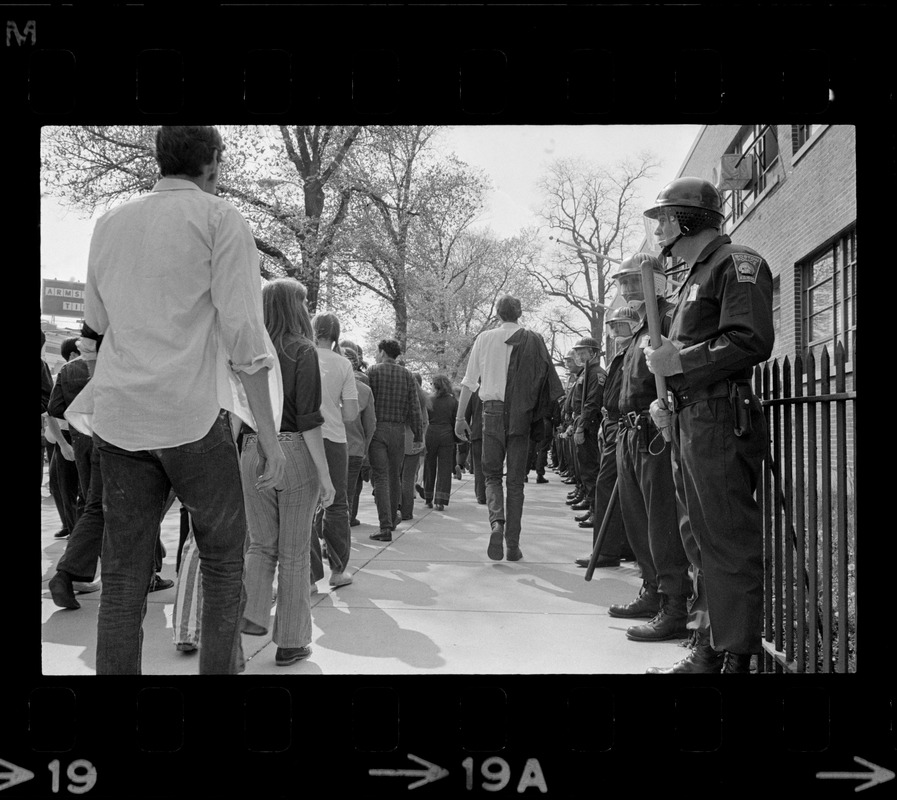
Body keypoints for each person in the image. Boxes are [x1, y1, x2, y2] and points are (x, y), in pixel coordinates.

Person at [66, 125, 285, 675]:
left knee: (121, 577)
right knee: (222, 563)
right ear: (212, 161)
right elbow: (245, 338)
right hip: (190, 417)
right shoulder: (220, 218)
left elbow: (95, 325)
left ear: (160, 158)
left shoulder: (111, 221)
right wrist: (268, 437)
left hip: (120, 418)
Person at [644, 177, 773, 674]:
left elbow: (749, 340)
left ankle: (735, 654)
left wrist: (681, 366)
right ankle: (711, 644)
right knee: (697, 538)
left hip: (720, 418)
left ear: (686, 219)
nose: (659, 231)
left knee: (724, 540)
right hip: (692, 417)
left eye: (663, 219)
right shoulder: (692, 275)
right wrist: (669, 398)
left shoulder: (737, 262)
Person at [240, 279, 335, 666]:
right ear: (295, 307)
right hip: (294, 448)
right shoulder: (302, 350)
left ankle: (252, 616)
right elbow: (310, 421)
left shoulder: (247, 350)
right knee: (294, 553)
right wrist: (326, 477)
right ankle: (291, 642)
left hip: (250, 450)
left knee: (261, 545)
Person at [606, 254, 692, 644]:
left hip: (656, 434)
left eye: (634, 282)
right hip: (629, 435)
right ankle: (652, 589)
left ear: (657, 282)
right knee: (637, 521)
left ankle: (675, 606)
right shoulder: (638, 329)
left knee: (661, 524)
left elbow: (682, 369)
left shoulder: (671, 318)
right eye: (623, 283)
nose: (627, 290)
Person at [455, 295, 564, 561]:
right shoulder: (534, 339)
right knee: (515, 482)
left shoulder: (484, 338)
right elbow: (547, 382)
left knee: (492, 476)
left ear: (498, 313)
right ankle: (512, 545)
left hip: (491, 412)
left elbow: (469, 382)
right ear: (520, 313)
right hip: (521, 415)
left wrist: (460, 418)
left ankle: (496, 523)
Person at [574, 306, 639, 568]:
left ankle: (611, 549)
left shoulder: (636, 348)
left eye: (620, 325)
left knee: (610, 485)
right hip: (614, 424)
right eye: (612, 327)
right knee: (610, 485)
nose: (615, 331)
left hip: (626, 425)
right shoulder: (622, 354)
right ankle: (614, 547)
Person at [309, 313, 359, 590]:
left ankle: (309, 576)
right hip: (334, 439)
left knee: (303, 505)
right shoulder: (343, 364)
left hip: (302, 437)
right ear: (336, 335)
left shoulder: (300, 357)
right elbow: (351, 413)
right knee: (337, 504)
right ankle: (338, 571)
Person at [366, 339, 423, 542]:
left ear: (382, 352)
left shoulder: (372, 372)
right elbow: (414, 407)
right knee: (394, 476)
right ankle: (391, 517)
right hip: (398, 430)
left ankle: (385, 525)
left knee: (380, 476)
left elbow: (366, 403)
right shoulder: (407, 375)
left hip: (377, 428)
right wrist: (418, 434)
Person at [45, 337, 81, 539]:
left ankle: (76, 530)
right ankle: (72, 527)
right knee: (61, 486)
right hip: (64, 436)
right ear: (73, 355)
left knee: (75, 489)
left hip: (78, 436)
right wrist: (63, 444)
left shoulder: (81, 373)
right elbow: (50, 412)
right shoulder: (64, 374)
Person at [568, 337, 606, 521]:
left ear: (594, 353)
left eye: (584, 352)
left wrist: (581, 427)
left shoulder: (596, 373)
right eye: (579, 352)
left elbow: (592, 403)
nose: (580, 356)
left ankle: (595, 511)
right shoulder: (585, 372)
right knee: (585, 468)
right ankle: (591, 503)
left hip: (589, 426)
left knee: (591, 469)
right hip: (581, 424)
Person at [342, 348, 376, 527]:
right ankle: (339, 535)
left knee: (323, 495)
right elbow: (370, 425)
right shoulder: (364, 390)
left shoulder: (322, 383)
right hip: (354, 448)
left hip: (326, 446)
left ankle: (322, 534)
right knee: (347, 494)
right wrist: (365, 447)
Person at [422, 374, 458, 511]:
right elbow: (455, 421)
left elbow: (425, 419)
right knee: (444, 467)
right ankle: (440, 500)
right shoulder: (453, 401)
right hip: (447, 434)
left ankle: (428, 497)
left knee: (429, 465)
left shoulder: (429, 400)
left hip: (431, 433)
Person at [400, 373, 429, 519]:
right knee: (409, 478)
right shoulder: (421, 400)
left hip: (399, 439)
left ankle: (396, 508)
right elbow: (425, 422)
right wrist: (422, 437)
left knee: (395, 477)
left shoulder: (400, 397)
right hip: (415, 441)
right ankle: (407, 512)